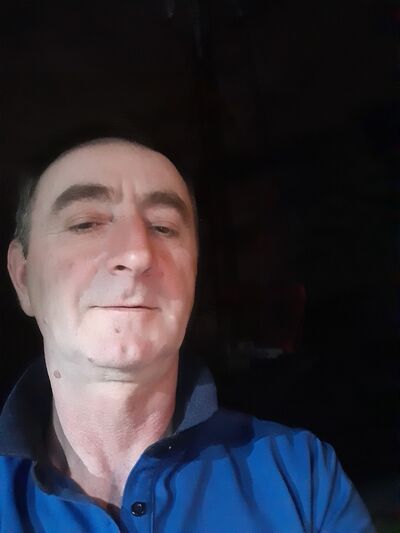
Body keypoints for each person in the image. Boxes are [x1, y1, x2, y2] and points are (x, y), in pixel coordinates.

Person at [1, 131, 376, 532]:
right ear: (23, 277)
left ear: (193, 273)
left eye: (163, 227)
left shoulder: (301, 475)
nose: (137, 254)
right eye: (86, 223)